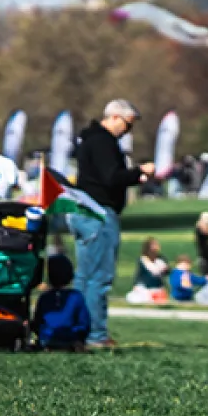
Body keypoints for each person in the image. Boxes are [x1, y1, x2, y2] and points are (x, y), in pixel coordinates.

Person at [69, 100, 154, 348]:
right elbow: (111, 177)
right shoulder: (104, 142)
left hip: (83, 210)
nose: (129, 131)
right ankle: (96, 334)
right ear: (115, 117)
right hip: (99, 212)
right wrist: (139, 173)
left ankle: (76, 329)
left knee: (83, 276)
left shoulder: (89, 140)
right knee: (99, 276)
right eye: (128, 125)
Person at [32, 255, 91, 350]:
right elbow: (84, 322)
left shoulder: (44, 297)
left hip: (47, 337)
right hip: (71, 336)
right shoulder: (76, 296)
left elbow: (37, 322)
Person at [127, 238, 169, 304]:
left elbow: (167, 273)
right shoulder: (143, 260)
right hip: (144, 287)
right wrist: (135, 285)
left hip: (158, 287)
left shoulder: (161, 259)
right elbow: (138, 275)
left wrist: (165, 269)